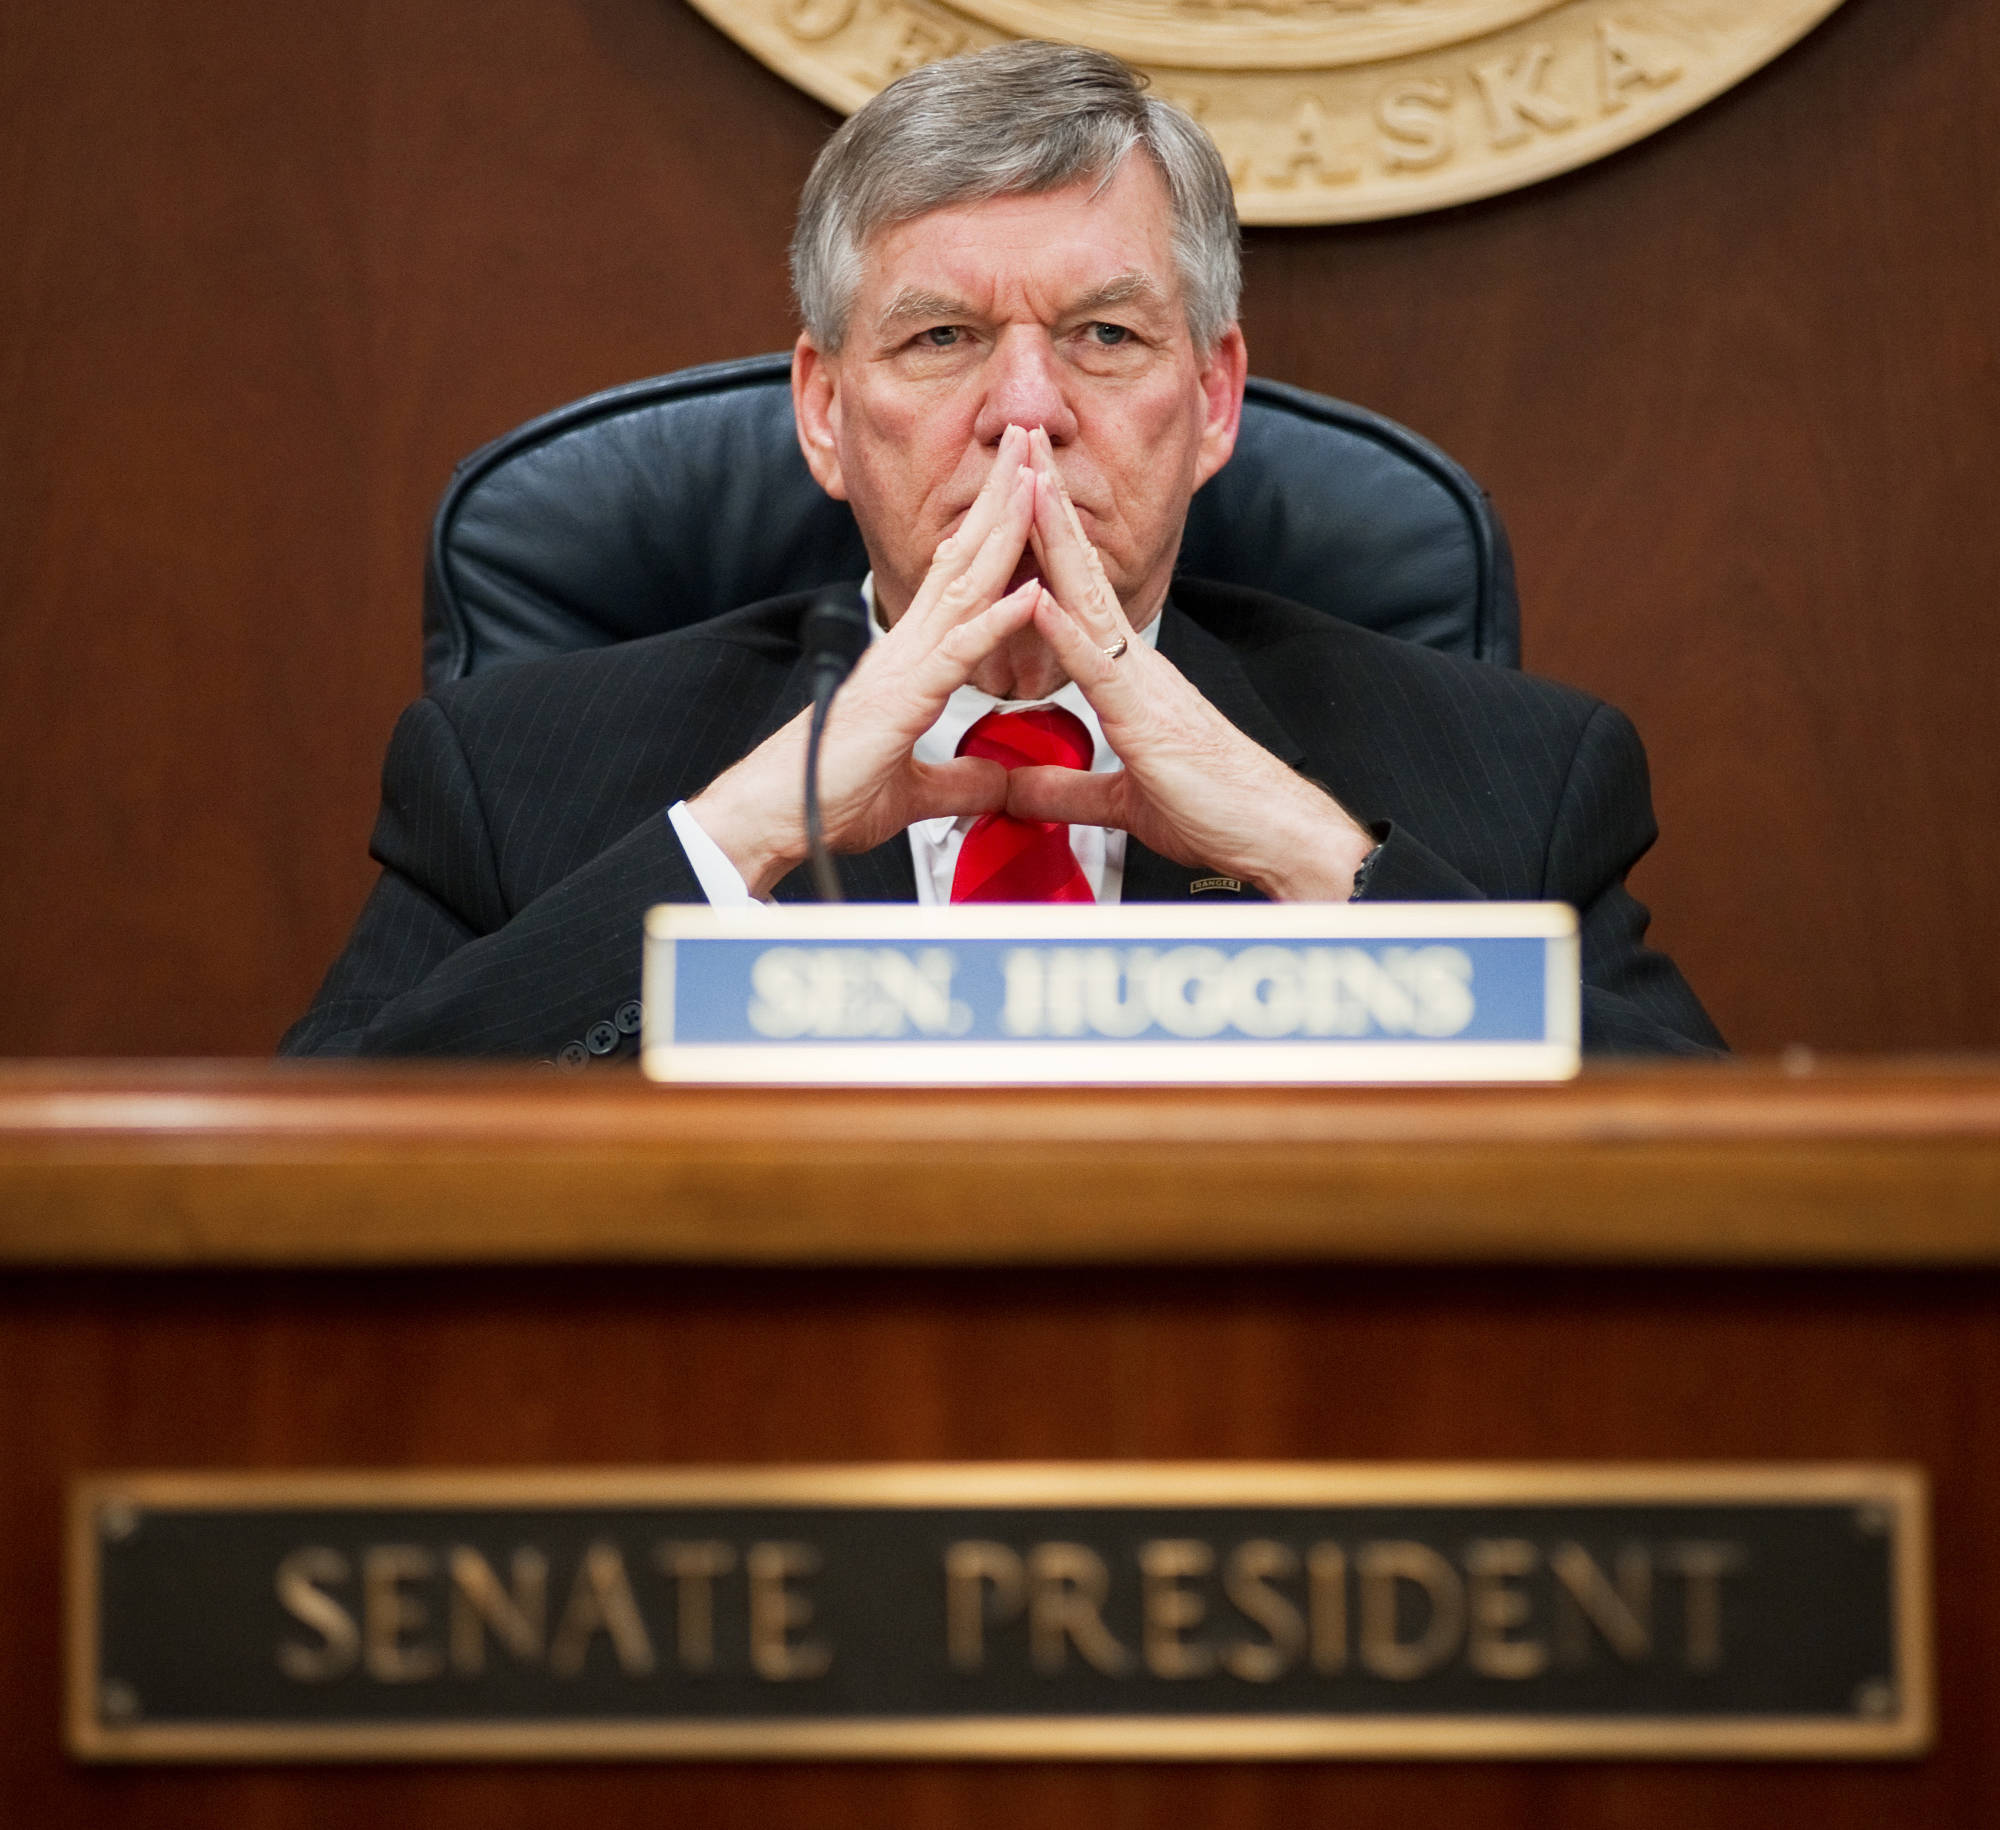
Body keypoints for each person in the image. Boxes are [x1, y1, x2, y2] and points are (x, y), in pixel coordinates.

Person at [283, 41, 1723, 1064]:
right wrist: (738, 841)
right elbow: (307, 1181)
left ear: (1214, 400)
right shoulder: (515, 782)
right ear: (825, 413)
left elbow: (1714, 1184)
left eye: (1105, 334)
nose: (1026, 410)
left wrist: (1317, 860)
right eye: (942, 337)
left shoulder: (1514, 785)